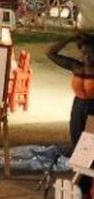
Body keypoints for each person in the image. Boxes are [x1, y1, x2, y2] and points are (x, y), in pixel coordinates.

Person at [49, 33, 94, 195]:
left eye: (91, 53)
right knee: (77, 147)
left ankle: (86, 187)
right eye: (84, 53)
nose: (87, 56)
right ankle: (81, 186)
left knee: (89, 148)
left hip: (93, 110)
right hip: (77, 107)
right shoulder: (76, 66)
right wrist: (69, 38)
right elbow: (50, 53)